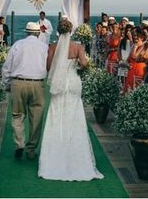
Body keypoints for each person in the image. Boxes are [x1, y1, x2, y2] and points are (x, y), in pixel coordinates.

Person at [38, 19, 103, 181]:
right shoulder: (78, 47)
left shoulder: (52, 47)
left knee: (56, 115)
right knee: (74, 116)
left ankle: (53, 158)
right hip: (73, 83)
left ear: (58, 31)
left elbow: (48, 67)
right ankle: (76, 157)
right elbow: (84, 64)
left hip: (58, 85)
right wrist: (78, 66)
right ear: (71, 31)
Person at [1, 22, 48, 160]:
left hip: (18, 83)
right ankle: (31, 149)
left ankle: (19, 144)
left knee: (17, 115)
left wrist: (6, 84)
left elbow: (7, 67)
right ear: (38, 33)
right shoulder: (44, 47)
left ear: (26, 32)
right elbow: (49, 65)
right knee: (37, 118)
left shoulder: (17, 45)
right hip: (37, 84)